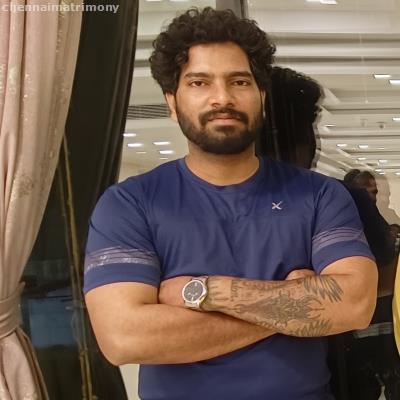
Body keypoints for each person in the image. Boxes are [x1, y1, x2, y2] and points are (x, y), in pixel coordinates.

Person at [83, 8, 377, 400]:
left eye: (239, 81)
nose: (222, 97)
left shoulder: (319, 195)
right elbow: (124, 338)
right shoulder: (129, 204)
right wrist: (291, 307)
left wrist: (202, 292)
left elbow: (354, 305)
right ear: (172, 102)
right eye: (199, 82)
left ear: (261, 97)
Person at [261, 67, 398, 400]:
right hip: (334, 363)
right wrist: (307, 298)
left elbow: (364, 294)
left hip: (336, 367)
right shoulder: (340, 196)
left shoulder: (335, 197)